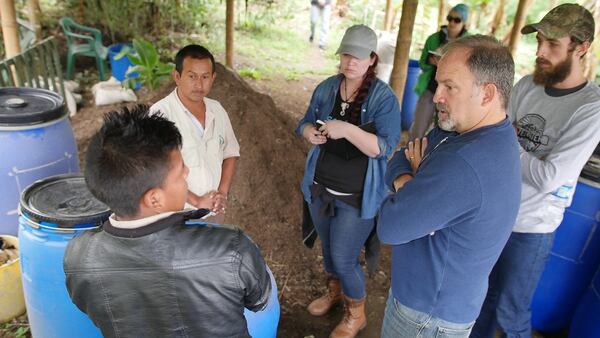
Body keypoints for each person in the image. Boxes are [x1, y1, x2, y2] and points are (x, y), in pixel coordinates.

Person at [63, 105, 271, 337]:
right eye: (180, 171)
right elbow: (260, 302)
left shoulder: (79, 255)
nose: (187, 173)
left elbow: (88, 306)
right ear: (154, 199)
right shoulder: (231, 248)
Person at [377, 35, 521, 338]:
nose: (437, 95)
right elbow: (402, 156)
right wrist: (410, 183)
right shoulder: (463, 128)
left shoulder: (466, 162)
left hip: (427, 317)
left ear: (486, 93)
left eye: (450, 87)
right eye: (438, 83)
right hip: (435, 300)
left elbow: (389, 225)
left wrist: (414, 188)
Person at [471, 4, 600, 338]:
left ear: (581, 47)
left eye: (552, 45)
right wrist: (504, 140)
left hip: (531, 228)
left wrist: (509, 142)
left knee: (511, 314)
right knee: (480, 301)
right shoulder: (528, 85)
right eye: (540, 41)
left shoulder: (590, 108)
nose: (540, 51)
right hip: (495, 216)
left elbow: (550, 178)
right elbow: (489, 138)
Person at [296, 24, 401, 338]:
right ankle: (336, 292)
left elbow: (384, 147)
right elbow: (303, 121)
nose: (350, 62)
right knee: (329, 252)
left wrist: (347, 129)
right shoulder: (328, 88)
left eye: (358, 56)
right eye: (345, 54)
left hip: (357, 196)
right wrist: (308, 133)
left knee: (343, 257)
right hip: (320, 188)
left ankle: (357, 315)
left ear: (371, 59)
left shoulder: (383, 98)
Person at [151, 44, 239, 223]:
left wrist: (222, 194)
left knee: (213, 249)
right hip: (175, 216)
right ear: (177, 76)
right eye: (192, 76)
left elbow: (230, 154)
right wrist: (197, 201)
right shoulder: (160, 114)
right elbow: (154, 170)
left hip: (213, 211)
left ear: (213, 78)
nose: (199, 84)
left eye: (205, 77)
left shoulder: (217, 110)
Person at [409, 3, 469, 140]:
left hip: (453, 94)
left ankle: (434, 159)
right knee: (418, 128)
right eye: (450, 18)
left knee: (445, 131)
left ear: (463, 22)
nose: (452, 22)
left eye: (457, 20)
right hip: (430, 89)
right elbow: (422, 64)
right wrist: (431, 62)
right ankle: (410, 156)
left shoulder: (468, 43)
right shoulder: (433, 39)